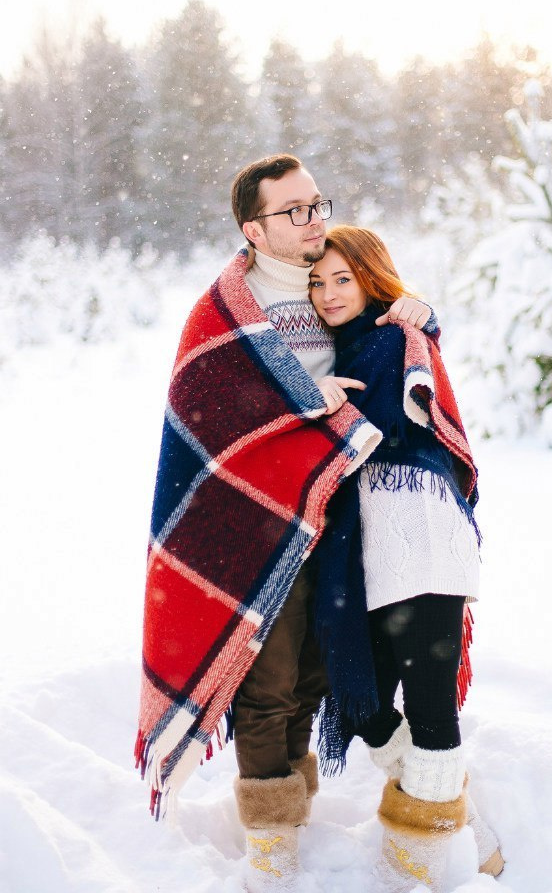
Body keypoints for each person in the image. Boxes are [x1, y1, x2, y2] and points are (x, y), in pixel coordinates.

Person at [135, 155, 432, 891]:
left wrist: (419, 310)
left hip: (331, 517)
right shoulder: (225, 310)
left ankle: (289, 806)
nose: (313, 220)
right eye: (294, 211)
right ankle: (270, 845)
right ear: (253, 228)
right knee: (264, 683)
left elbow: (380, 315)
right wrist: (301, 398)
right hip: (252, 523)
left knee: (312, 673)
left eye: (316, 204)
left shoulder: (324, 281)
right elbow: (206, 414)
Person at [309, 226, 504, 891]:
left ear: (371, 279)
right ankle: (469, 828)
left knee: (429, 711)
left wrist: (330, 402)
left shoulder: (395, 335)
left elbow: (394, 407)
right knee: (363, 705)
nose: (330, 293)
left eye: (344, 278)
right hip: (366, 548)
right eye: (318, 281)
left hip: (421, 535)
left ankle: (420, 866)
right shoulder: (323, 353)